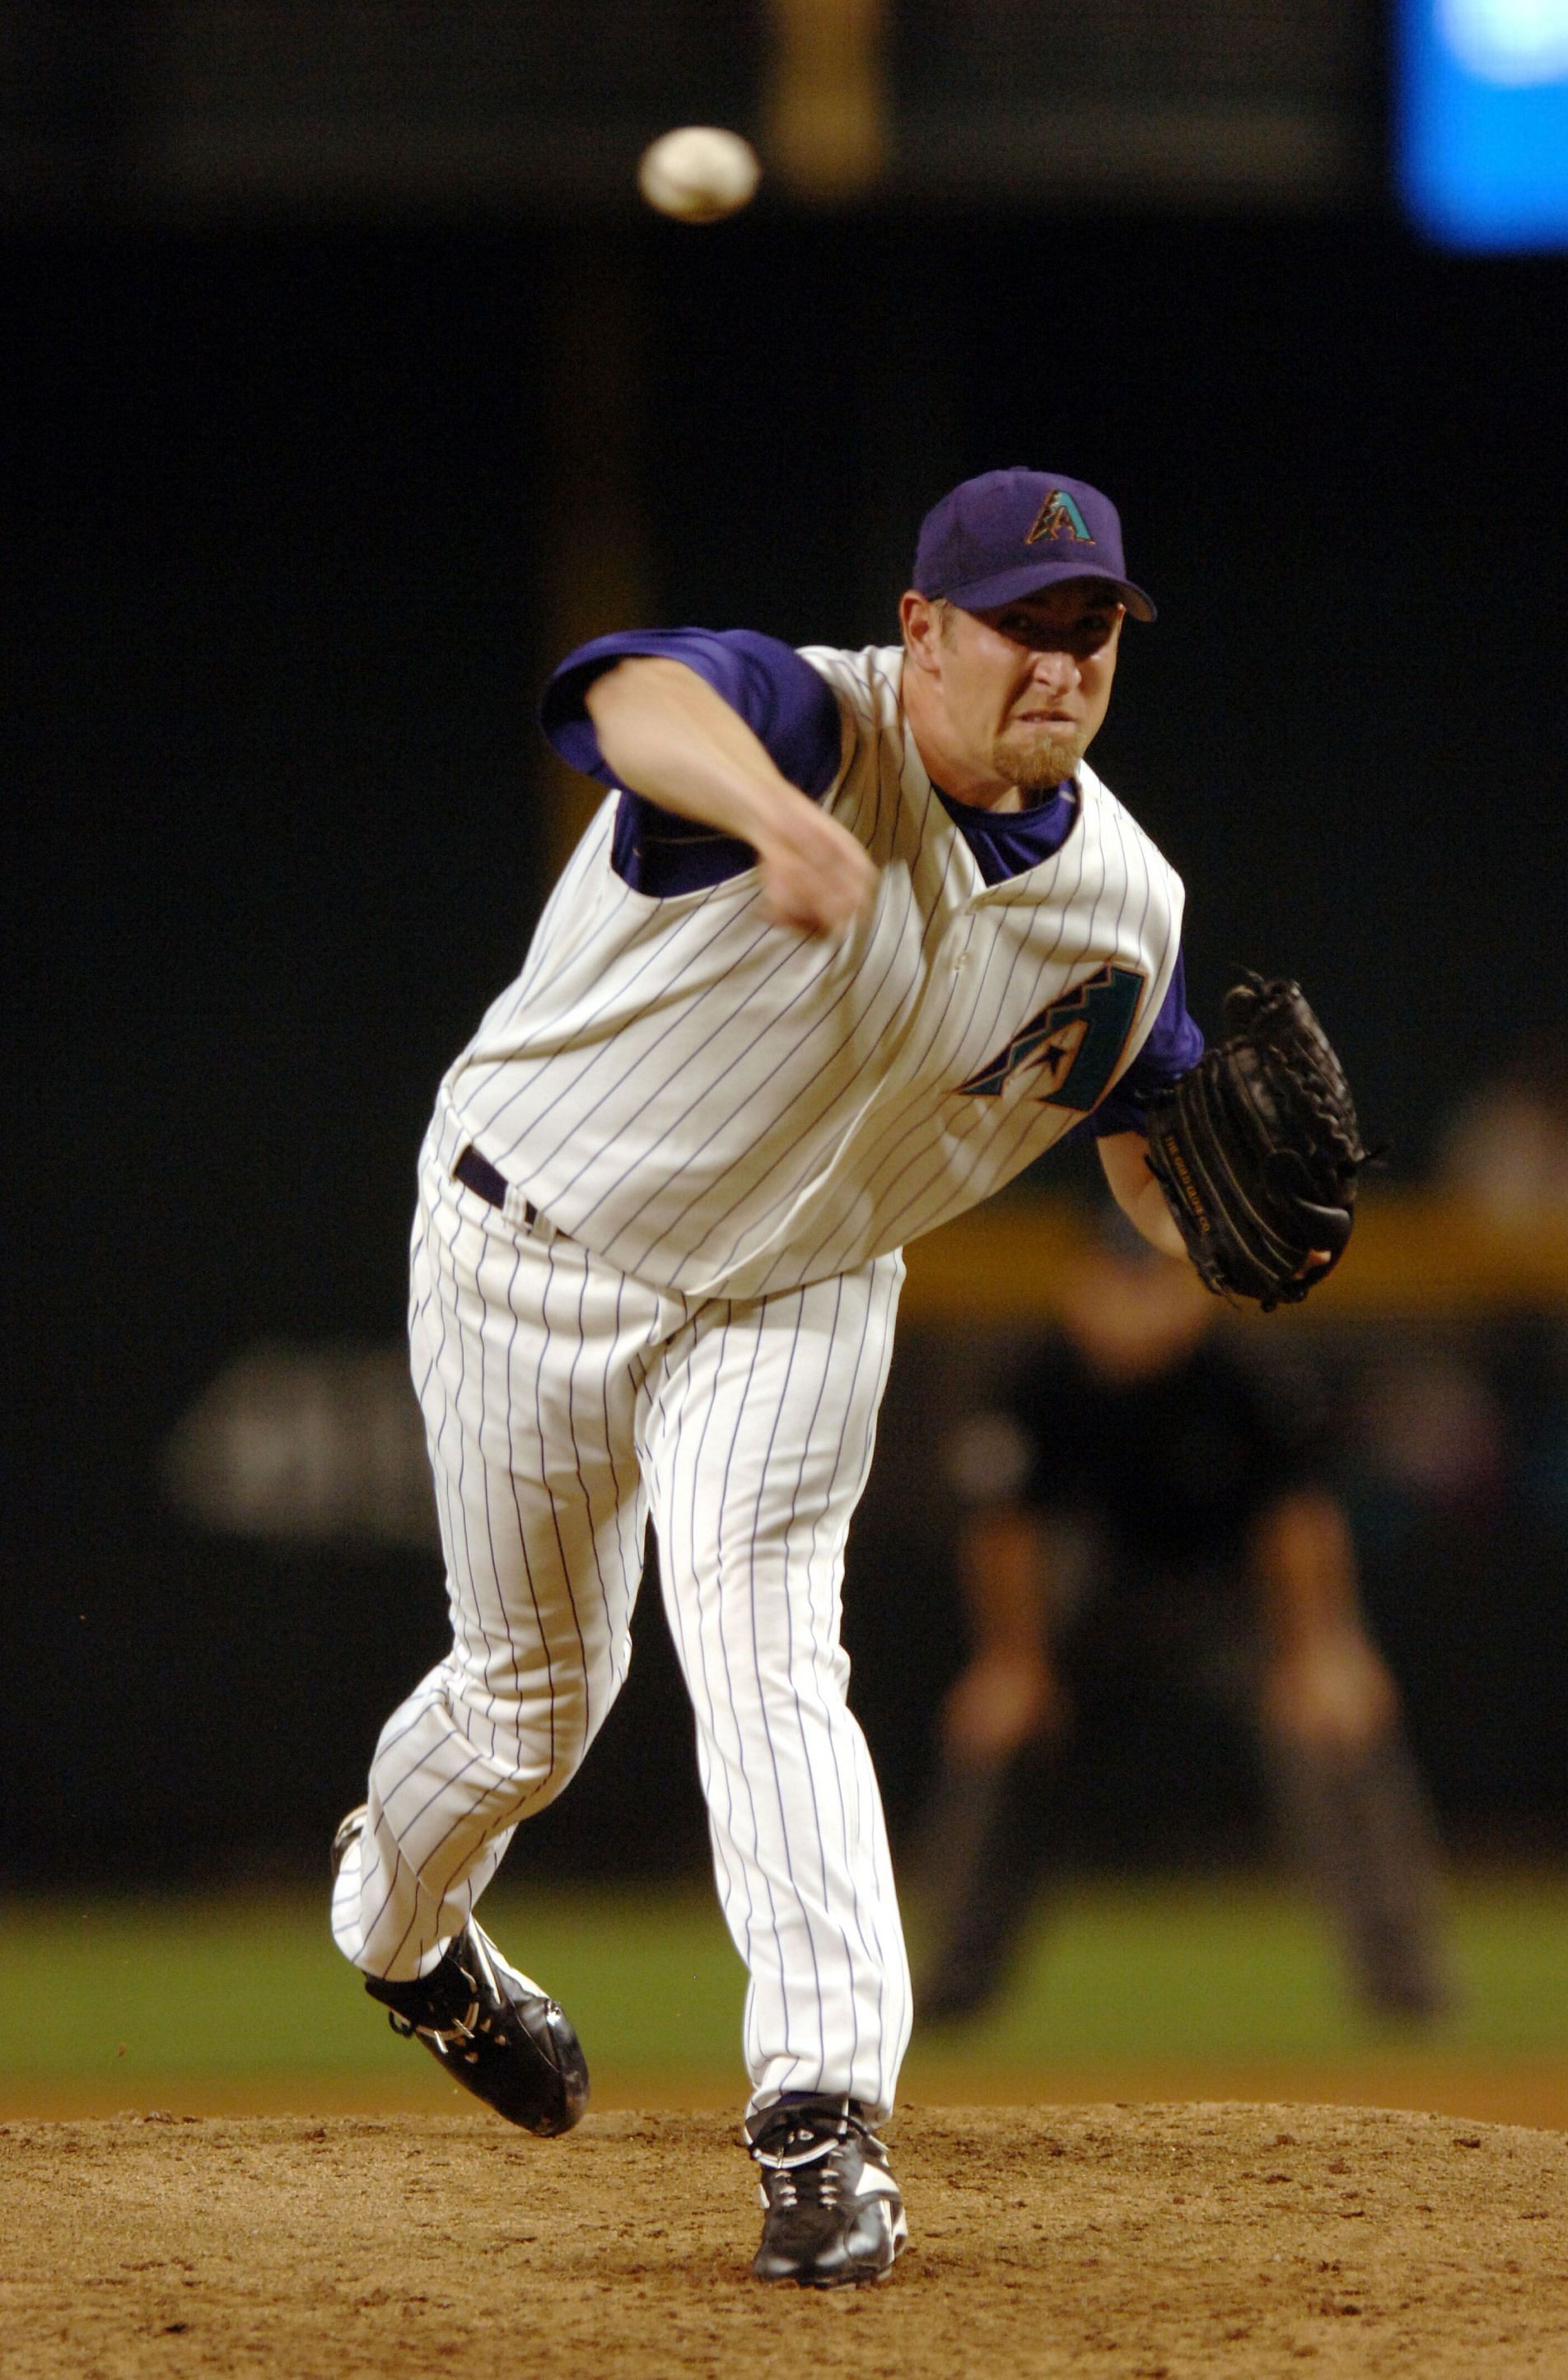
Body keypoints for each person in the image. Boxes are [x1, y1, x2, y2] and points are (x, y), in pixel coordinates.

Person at [330, 466, 1209, 2289]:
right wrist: (771, 818)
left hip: (796, 1288)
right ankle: (401, 1931)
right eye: (1024, 624)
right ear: (922, 631)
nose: (1062, 663)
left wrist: (1206, 1214)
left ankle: (824, 2118)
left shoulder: (1128, 899)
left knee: (767, 1648)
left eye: (1094, 629)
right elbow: (623, 696)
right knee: (530, 1706)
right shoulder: (808, 718)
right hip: (532, 1243)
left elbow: (1144, 1117)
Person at [917, 1222, 1450, 2025]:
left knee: (1336, 1723)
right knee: (1001, 1733)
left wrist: (1323, 1650)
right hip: (1095, 1599)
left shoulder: (1244, 1373)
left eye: (1155, 1284)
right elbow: (1005, 1532)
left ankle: (1407, 1986)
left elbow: (1296, 1519)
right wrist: (1012, 1663)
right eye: (1117, 1281)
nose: (1134, 1307)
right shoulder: (1040, 1375)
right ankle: (941, 1993)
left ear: (1194, 1290)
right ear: (1080, 1286)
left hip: (1234, 1600)